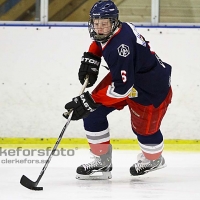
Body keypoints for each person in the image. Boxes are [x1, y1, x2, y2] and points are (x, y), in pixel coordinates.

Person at [63, 0, 172, 180]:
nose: (99, 28)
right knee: (92, 113)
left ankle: (154, 160)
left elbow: (122, 89)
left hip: (150, 89)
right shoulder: (117, 29)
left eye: (104, 24)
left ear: (113, 22)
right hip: (126, 78)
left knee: (145, 131)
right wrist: (92, 56)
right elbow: (100, 44)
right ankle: (102, 160)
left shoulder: (121, 48)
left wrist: (90, 100)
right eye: (96, 23)